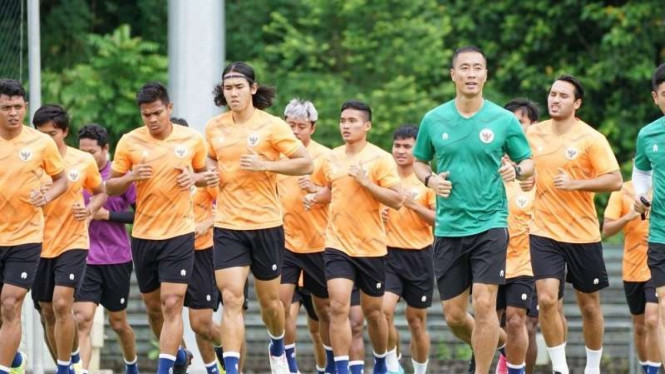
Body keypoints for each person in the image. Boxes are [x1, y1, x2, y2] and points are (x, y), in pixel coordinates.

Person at [412, 46, 534, 374]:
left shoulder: (504, 120)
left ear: (485, 75)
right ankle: (498, 340)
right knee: (453, 315)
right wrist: (431, 180)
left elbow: (528, 163)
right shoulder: (433, 119)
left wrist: (517, 171)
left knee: (484, 304)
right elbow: (419, 162)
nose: (470, 74)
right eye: (464, 68)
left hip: (490, 223)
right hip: (450, 226)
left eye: (477, 68)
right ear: (453, 74)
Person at [205, 61, 313, 374]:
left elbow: (305, 164)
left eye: (239, 87)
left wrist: (266, 166)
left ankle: (277, 343)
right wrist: (209, 174)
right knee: (231, 299)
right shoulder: (215, 127)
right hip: (228, 224)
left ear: (253, 88)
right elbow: (211, 160)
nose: (233, 93)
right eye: (228, 87)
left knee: (271, 305)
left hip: (266, 224)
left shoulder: (273, 126)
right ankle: (231, 367)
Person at [106, 82, 217, 374]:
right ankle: (178, 355)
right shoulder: (129, 141)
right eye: (146, 115)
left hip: (180, 234)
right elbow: (111, 186)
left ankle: (163, 369)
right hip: (144, 235)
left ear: (169, 108)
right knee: (154, 309)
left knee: (172, 303)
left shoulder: (192, 139)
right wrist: (130, 176)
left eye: (157, 113)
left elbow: (209, 176)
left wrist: (194, 177)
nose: (152, 120)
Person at [527, 74, 622, 374]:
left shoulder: (591, 138)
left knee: (590, 306)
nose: (555, 99)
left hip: (582, 233)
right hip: (542, 230)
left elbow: (615, 180)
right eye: (552, 94)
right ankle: (560, 367)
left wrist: (576, 184)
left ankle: (592, 367)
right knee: (545, 298)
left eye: (563, 96)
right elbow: (521, 167)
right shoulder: (533, 134)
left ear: (577, 103)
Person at [312, 99, 403, 374]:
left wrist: (366, 183)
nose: (346, 126)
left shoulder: (381, 159)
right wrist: (315, 197)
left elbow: (397, 200)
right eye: (343, 121)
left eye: (352, 121)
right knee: (338, 305)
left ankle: (379, 363)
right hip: (337, 244)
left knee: (374, 314)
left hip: (371, 247)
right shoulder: (330, 157)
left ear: (367, 126)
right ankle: (341, 369)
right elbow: (327, 190)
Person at [31, 105, 106, 374]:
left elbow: (100, 192)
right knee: (47, 311)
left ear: (64, 132)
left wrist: (89, 209)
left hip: (73, 241)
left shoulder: (82, 160)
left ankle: (64, 369)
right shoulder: (29, 161)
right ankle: (71, 359)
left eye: (52, 133)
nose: (46, 139)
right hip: (37, 243)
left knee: (63, 303)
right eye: (41, 134)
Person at [0, 79, 67, 374]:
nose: (13, 113)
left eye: (17, 107)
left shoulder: (41, 143)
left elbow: (61, 180)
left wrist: (48, 194)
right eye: (6, 108)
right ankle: (15, 360)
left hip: (26, 237)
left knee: (11, 303)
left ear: (25, 107)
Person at [73, 123, 139, 374]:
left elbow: (140, 214)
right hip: (85, 257)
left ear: (105, 149)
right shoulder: (74, 174)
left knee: (118, 323)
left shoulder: (119, 177)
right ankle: (82, 371)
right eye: (82, 151)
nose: (86, 156)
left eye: (92, 152)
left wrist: (107, 215)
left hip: (116, 258)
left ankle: (131, 365)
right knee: (82, 320)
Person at [276, 98, 333, 374]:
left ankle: (331, 364)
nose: (295, 131)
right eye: (291, 125)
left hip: (318, 243)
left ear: (313, 127)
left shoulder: (326, 156)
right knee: (280, 303)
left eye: (301, 126)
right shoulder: (277, 157)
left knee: (324, 310)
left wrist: (317, 190)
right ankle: (289, 365)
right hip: (284, 243)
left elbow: (342, 196)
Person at [492, 99, 541, 374]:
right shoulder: (492, 159)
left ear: (532, 126)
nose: (512, 125)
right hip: (492, 256)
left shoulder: (540, 163)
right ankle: (502, 360)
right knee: (490, 322)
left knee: (522, 322)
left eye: (519, 121)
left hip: (530, 259)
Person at [173, 116, 225, 374]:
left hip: (201, 251)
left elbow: (228, 205)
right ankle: (180, 357)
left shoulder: (204, 174)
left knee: (201, 322)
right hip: (168, 251)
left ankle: (229, 354)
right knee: (163, 312)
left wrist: (208, 224)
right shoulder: (158, 173)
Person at [381, 124, 435, 374]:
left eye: (407, 146)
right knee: (383, 311)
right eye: (397, 146)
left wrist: (413, 205)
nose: (401, 151)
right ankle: (393, 362)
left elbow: (439, 220)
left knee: (416, 321)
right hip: (387, 254)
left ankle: (420, 370)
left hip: (419, 256)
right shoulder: (383, 176)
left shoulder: (427, 180)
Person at [604, 178, 660, 374]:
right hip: (632, 269)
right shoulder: (622, 191)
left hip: (657, 265)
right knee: (640, 326)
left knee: (653, 320)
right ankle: (647, 368)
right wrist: (629, 216)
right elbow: (607, 230)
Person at [633, 62, 665, 371]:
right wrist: (640, 198)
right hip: (660, 233)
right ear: (655, 97)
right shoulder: (648, 134)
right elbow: (641, 173)